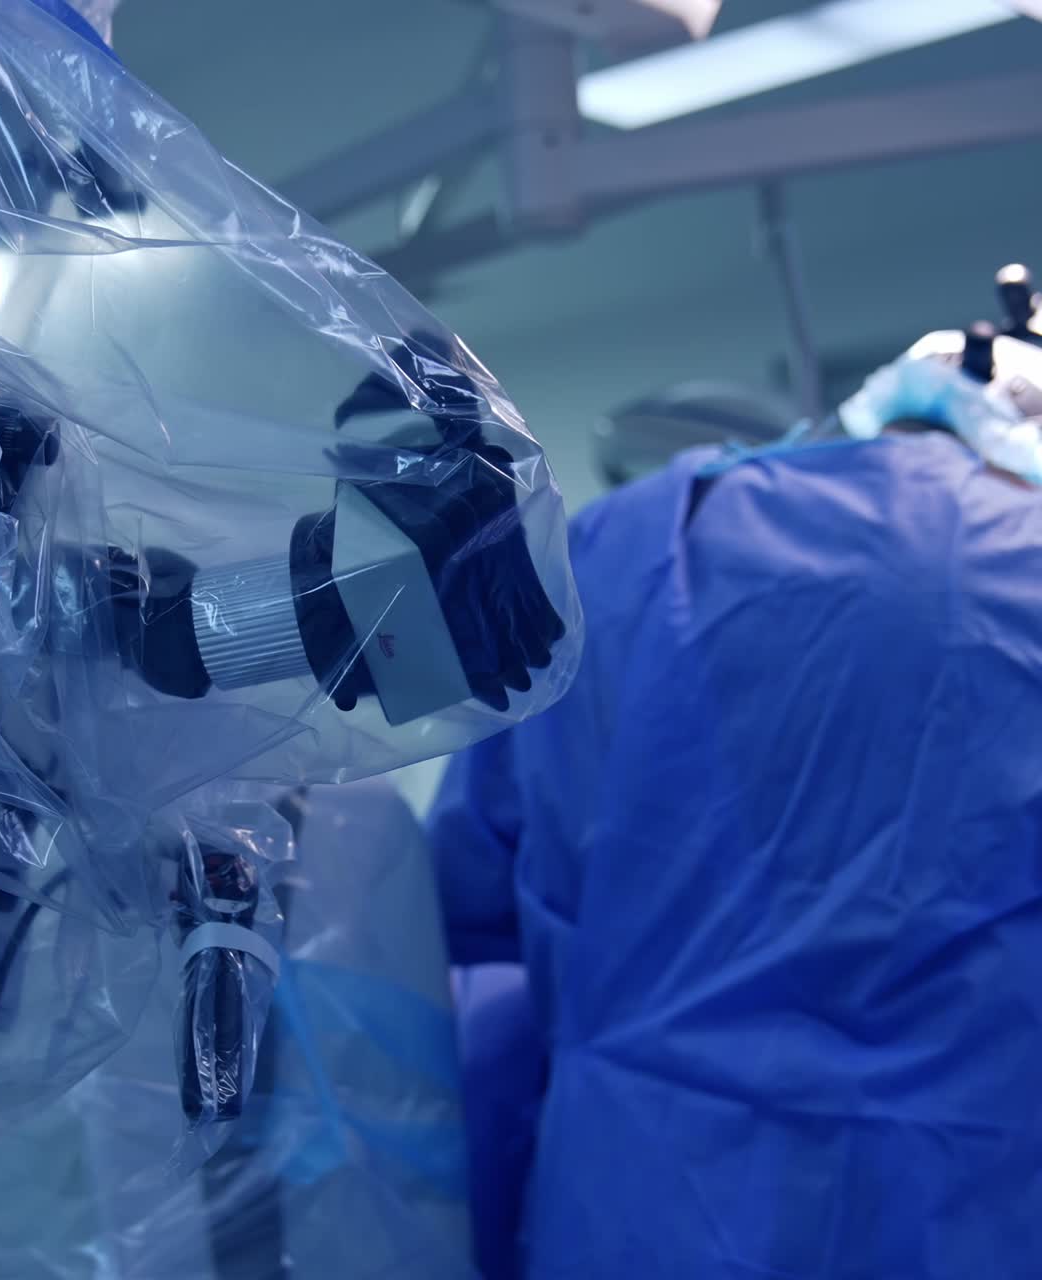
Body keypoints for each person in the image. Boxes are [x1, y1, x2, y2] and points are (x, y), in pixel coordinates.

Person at [431, 345, 1042, 1277]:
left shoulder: (608, 553)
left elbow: (466, 909)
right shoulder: (1022, 562)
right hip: (970, 1209)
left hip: (650, 1211)